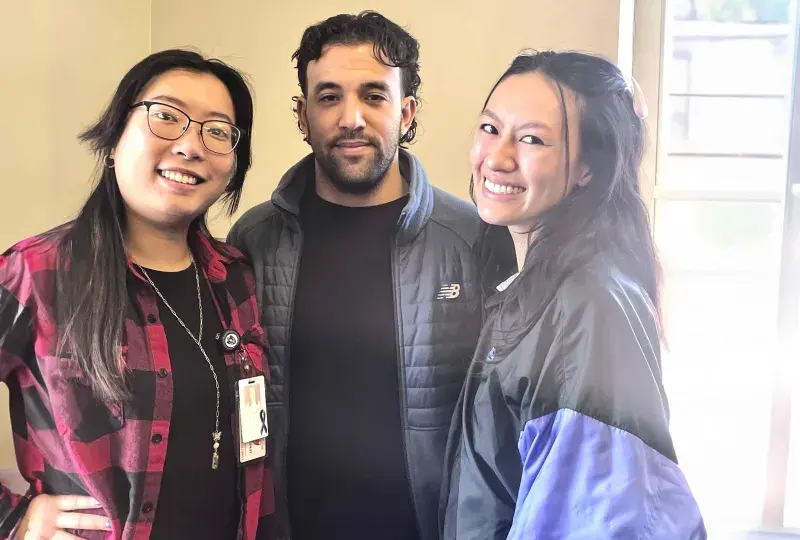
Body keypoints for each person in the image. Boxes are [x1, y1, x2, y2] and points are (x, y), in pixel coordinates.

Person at [227, 11, 512, 540]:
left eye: (374, 96)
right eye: (329, 96)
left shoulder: (474, 239)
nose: (351, 118)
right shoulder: (254, 239)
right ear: (302, 115)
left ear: (406, 113)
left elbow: (503, 412)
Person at [0, 49, 274, 540]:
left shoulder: (236, 278)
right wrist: (15, 519)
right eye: (166, 117)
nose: (191, 146)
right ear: (113, 140)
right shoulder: (37, 271)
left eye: (217, 131)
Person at [440, 51, 706, 539]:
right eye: (490, 128)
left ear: (586, 168)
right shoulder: (532, 289)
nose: (496, 158)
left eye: (532, 139)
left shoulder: (589, 305)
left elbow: (595, 519)